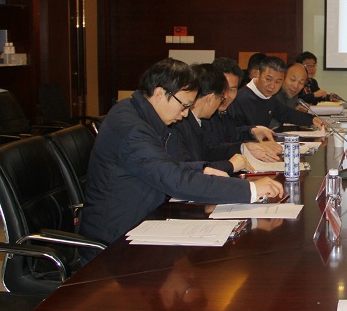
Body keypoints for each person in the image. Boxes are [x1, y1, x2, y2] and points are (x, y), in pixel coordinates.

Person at [81, 58, 283, 251]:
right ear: (160, 93)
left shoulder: (140, 114)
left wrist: (202, 169)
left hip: (145, 221)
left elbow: (165, 164)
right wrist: (251, 189)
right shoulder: (133, 129)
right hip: (117, 240)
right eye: (185, 105)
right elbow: (173, 179)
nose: (186, 113)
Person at [208, 57, 282, 162]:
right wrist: (243, 148)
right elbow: (210, 151)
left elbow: (230, 135)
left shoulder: (227, 108)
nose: (226, 96)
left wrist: (251, 131)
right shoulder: (202, 115)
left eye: (232, 90)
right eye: (222, 89)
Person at [230, 55, 324, 130]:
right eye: (268, 79)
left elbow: (287, 114)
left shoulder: (269, 97)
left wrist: (312, 119)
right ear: (258, 74)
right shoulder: (240, 98)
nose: (272, 86)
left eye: (278, 82)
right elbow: (233, 133)